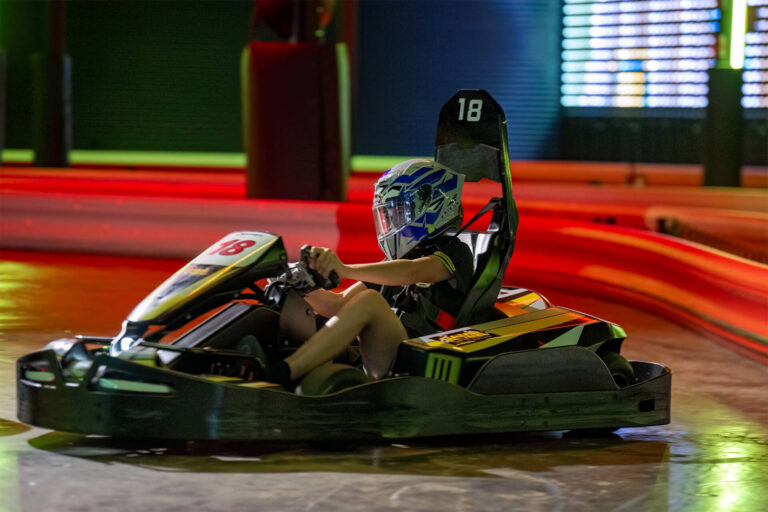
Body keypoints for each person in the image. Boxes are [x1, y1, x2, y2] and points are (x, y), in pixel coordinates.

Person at [263, 159, 474, 385]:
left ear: (431, 205)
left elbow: (414, 272)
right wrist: (298, 285)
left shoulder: (456, 252)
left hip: (423, 362)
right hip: (390, 354)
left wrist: (343, 269)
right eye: (388, 215)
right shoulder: (396, 264)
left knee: (370, 301)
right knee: (308, 312)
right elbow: (338, 304)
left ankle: (282, 373)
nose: (391, 221)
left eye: (398, 212)